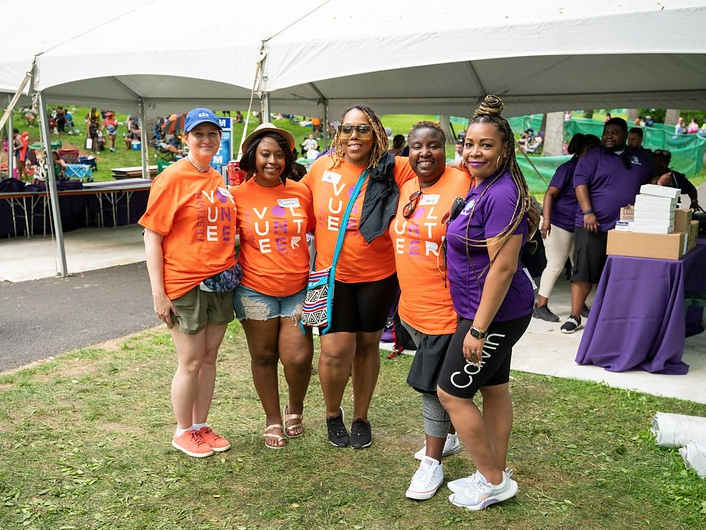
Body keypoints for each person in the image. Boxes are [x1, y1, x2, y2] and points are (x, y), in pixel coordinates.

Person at [436, 95, 539, 511]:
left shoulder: (501, 194)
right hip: (492, 310)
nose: (474, 152)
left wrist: (478, 329)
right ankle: (492, 470)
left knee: (452, 394)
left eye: (486, 145)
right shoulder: (483, 185)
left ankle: (494, 481)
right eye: (469, 143)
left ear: (505, 149)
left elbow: (503, 268)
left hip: (493, 314)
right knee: (495, 390)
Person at [302, 104, 415, 449]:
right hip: (330, 276)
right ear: (338, 133)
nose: (354, 136)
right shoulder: (322, 167)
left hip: (378, 275)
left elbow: (437, 175)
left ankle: (361, 416)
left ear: (377, 132)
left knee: (367, 347)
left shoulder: (396, 168)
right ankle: (333, 414)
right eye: (347, 129)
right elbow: (300, 211)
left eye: (363, 129)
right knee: (334, 351)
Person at [139, 107, 238, 458]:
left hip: (220, 281)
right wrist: (158, 293)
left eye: (212, 134)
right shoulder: (171, 178)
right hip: (185, 283)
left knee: (210, 357)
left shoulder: (218, 178)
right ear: (186, 139)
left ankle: (200, 425)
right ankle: (182, 430)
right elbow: (152, 237)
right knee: (191, 361)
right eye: (199, 134)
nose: (206, 140)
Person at [390, 121, 470, 501]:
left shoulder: (463, 181)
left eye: (434, 146)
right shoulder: (408, 187)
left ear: (446, 149)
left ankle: (432, 463)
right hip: (412, 307)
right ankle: (450, 438)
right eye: (416, 147)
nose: (424, 153)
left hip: (446, 308)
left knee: (433, 389)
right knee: (442, 383)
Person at [232, 123, 315, 449]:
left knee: (297, 358)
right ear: (253, 158)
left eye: (279, 155)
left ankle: (295, 407)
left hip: (297, 288)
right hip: (254, 290)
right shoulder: (236, 197)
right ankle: (272, 419)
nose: (272, 161)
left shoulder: (300, 192)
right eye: (265, 154)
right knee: (264, 356)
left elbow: (315, 233)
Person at [560, 117, 655, 334]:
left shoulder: (640, 157)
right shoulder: (592, 157)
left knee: (619, 272)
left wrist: (658, 182)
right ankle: (575, 316)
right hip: (593, 225)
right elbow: (580, 184)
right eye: (606, 132)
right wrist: (588, 212)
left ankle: (611, 313)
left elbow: (651, 179)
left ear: (625, 134)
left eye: (614, 132)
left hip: (627, 227)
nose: (609, 136)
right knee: (584, 270)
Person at [533, 133, 601, 322]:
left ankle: (581, 305)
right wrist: (546, 220)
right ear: (581, 151)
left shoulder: (591, 170)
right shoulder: (568, 169)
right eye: (591, 151)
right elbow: (549, 195)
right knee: (555, 264)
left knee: (581, 266)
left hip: (576, 225)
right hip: (557, 222)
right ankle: (540, 306)